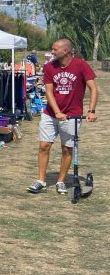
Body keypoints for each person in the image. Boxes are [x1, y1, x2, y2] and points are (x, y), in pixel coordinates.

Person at [28, 38, 98, 194]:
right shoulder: (49, 67)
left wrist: (91, 110)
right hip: (50, 114)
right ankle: (41, 180)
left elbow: (93, 89)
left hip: (73, 115)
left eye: (55, 49)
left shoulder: (81, 65)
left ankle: (60, 181)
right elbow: (49, 91)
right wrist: (57, 112)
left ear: (65, 51)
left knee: (67, 149)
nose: (52, 51)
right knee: (44, 146)